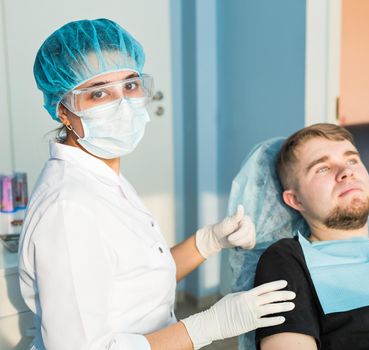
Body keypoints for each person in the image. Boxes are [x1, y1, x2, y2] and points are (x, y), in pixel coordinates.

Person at [18, 18, 296, 350]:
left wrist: (208, 241)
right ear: (63, 110)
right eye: (99, 93)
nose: (123, 105)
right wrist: (208, 325)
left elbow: (136, 280)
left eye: (131, 85)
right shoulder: (69, 210)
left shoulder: (101, 176)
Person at [253, 123, 369, 350]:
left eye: (352, 160)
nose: (347, 171)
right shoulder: (288, 258)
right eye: (322, 168)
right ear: (295, 200)